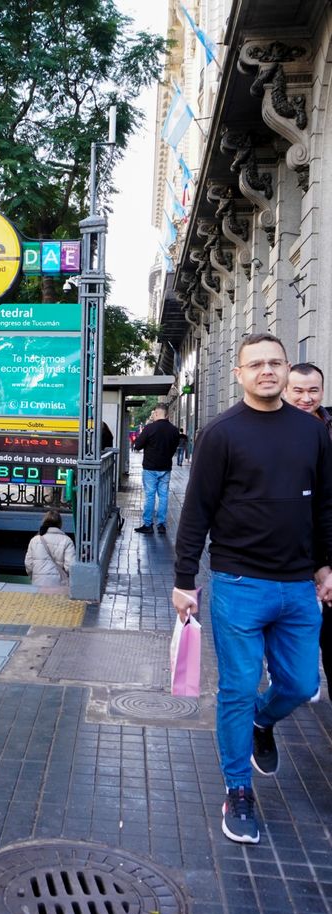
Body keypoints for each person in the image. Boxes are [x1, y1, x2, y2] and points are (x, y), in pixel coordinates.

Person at [173, 333, 332, 845]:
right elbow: (196, 510)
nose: (267, 371)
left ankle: (265, 723)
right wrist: (183, 580)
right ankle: (238, 790)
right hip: (238, 582)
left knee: (301, 685)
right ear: (240, 374)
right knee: (237, 690)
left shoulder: (312, 433)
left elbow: (325, 504)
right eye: (256, 364)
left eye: (275, 363)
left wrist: (326, 566)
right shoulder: (221, 433)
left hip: (299, 586)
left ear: (288, 371)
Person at [284, 361, 332, 694]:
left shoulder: (328, 427)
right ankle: (290, 681)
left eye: (312, 390)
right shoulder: (272, 427)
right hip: (290, 548)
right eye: (298, 390)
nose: (305, 398)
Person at [133, 404, 180, 535]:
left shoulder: (149, 428)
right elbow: (174, 447)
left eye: (154, 414)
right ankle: (161, 525)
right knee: (164, 496)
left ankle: (148, 524)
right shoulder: (174, 430)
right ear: (167, 415)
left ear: (157, 414)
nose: (152, 416)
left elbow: (137, 446)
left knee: (150, 496)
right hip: (166, 468)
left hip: (150, 468)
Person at [25, 510, 76, 587]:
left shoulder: (35, 540)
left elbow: (28, 564)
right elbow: (70, 567)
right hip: (59, 585)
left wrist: (35, 577)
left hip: (38, 584)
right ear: (60, 524)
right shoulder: (67, 541)